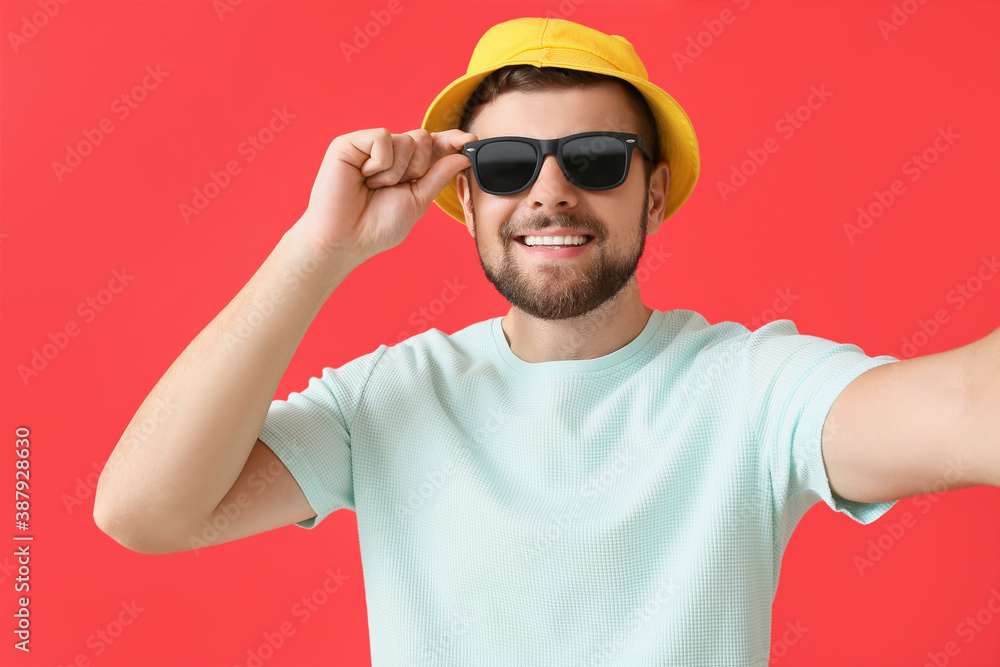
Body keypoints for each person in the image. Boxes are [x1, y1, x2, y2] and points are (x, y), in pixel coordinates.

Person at [94, 16, 999, 665]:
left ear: (652, 192)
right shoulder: (391, 399)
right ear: (467, 199)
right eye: (507, 165)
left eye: (597, 159)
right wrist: (318, 251)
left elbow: (969, 410)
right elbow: (142, 509)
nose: (551, 191)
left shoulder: (752, 390)